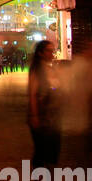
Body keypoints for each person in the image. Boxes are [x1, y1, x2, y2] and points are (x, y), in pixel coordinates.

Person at [27, 39, 60, 171]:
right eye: (48, 51)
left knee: (53, 149)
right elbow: (33, 94)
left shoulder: (51, 69)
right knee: (41, 150)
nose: (51, 54)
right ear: (40, 53)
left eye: (53, 51)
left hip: (54, 115)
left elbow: (56, 88)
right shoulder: (36, 70)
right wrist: (34, 115)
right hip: (41, 115)